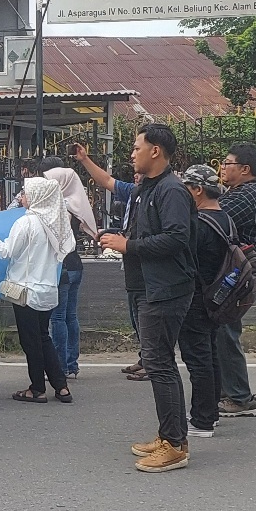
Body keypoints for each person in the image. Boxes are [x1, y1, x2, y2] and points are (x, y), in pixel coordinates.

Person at [99, 123, 196, 474]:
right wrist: (118, 238)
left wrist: (129, 245)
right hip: (145, 287)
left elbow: (177, 239)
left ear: (155, 151)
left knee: (160, 364)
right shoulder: (146, 190)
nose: (132, 153)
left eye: (137, 147)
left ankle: (175, 445)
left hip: (166, 289)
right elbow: (142, 233)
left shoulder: (172, 190)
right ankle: (170, 435)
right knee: (156, 362)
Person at [0, 177, 75, 405]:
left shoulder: (26, 223)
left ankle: (37, 388)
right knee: (43, 336)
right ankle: (61, 386)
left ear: (36, 197)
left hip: (25, 291)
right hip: (47, 289)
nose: (21, 197)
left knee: (30, 341)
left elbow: (6, 252)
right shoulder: (56, 223)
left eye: (25, 193)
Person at [72, 142, 146, 379]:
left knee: (145, 314)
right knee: (136, 312)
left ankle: (152, 362)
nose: (135, 176)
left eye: (139, 173)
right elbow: (106, 181)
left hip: (147, 263)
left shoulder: (160, 194)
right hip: (132, 262)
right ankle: (146, 357)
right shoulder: (133, 192)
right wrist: (84, 159)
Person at [216, 142, 256, 418]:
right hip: (237, 271)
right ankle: (228, 391)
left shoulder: (245, 195)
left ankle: (240, 397)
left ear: (245, 169)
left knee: (226, 331)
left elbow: (210, 214)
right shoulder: (245, 192)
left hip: (238, 273)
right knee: (221, 330)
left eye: (228, 163)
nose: (223, 168)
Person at [180, 165, 230, 440]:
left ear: (198, 190)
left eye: (187, 189)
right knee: (210, 354)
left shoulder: (198, 223)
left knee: (198, 359)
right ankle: (210, 411)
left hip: (197, 296)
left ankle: (201, 419)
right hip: (217, 296)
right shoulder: (225, 218)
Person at [46, 167, 99, 379]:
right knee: (70, 316)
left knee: (58, 317)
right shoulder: (76, 204)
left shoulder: (62, 207)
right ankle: (71, 364)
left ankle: (61, 366)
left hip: (64, 267)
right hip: (76, 265)